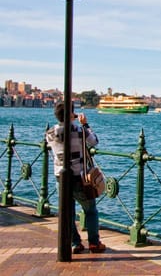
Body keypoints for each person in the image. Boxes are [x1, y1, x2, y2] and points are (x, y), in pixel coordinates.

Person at [47, 102, 106, 254]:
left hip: (61, 177)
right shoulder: (79, 130)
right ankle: (94, 242)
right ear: (71, 114)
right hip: (79, 177)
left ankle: (75, 243)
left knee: (68, 212)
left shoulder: (50, 133)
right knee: (90, 210)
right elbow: (94, 141)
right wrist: (85, 124)